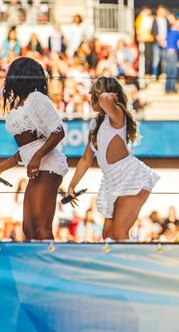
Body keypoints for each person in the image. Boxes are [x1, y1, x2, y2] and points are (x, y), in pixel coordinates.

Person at [0, 57, 67, 240]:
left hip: (48, 165)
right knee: (28, 229)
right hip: (37, 165)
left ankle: (49, 266)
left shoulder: (36, 99)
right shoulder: (18, 104)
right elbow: (25, 149)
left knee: (40, 226)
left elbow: (59, 132)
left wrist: (37, 157)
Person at [66, 76, 159, 241]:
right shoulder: (97, 124)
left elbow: (104, 99)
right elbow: (86, 159)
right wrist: (72, 185)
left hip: (130, 176)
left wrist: (109, 95)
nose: (89, 95)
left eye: (93, 92)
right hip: (112, 180)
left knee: (120, 233)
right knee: (107, 235)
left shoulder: (117, 114)